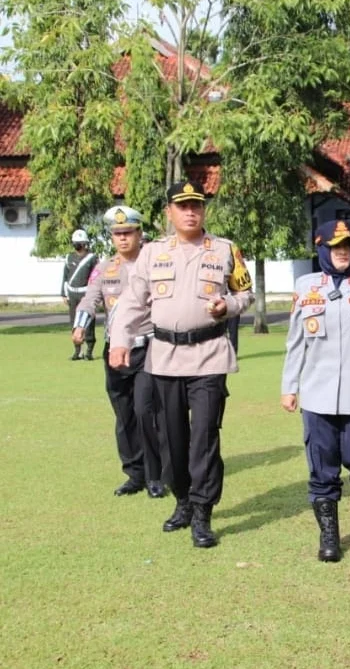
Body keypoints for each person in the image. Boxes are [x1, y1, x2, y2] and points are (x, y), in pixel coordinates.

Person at [108, 180, 254, 549]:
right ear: (169, 212)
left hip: (209, 354)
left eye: (197, 205)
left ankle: (203, 513)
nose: (191, 211)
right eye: (183, 206)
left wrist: (230, 307)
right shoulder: (153, 252)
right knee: (172, 439)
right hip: (165, 357)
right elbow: (132, 300)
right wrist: (121, 339)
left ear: (203, 210)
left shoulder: (224, 250)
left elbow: (245, 292)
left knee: (204, 434)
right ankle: (183, 501)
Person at [281, 220, 350, 562]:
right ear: (322, 249)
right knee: (322, 467)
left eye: (347, 245)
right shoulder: (305, 287)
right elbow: (295, 343)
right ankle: (329, 535)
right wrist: (289, 387)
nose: (342, 251)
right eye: (335, 246)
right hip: (317, 394)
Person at [73, 206, 165, 498]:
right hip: (114, 351)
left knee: (144, 410)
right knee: (124, 415)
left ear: (139, 233)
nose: (123, 239)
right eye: (117, 234)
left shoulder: (155, 264)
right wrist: (80, 325)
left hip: (147, 347)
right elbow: (90, 299)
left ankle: (155, 476)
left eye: (128, 232)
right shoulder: (105, 267)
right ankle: (134, 474)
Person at [62, 228, 99, 360]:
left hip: (86, 293)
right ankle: (77, 350)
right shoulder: (69, 257)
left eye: (80, 242)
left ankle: (89, 351)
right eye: (75, 242)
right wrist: (63, 294)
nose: (77, 245)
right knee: (74, 322)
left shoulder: (92, 258)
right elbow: (65, 277)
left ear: (85, 243)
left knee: (88, 322)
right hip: (72, 293)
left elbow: (96, 277)